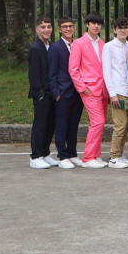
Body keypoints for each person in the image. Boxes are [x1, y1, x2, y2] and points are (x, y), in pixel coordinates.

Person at [68, 11, 109, 169]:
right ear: (87, 24)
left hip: (103, 89)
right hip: (89, 89)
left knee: (101, 122)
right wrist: (82, 88)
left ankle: (95, 155)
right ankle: (88, 157)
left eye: (99, 23)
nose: (96, 26)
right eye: (93, 23)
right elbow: (73, 69)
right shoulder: (78, 43)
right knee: (97, 122)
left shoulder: (103, 44)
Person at [48, 16, 84, 169]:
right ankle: (62, 156)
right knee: (61, 125)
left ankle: (72, 153)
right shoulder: (55, 48)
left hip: (78, 92)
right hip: (63, 93)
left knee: (73, 125)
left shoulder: (78, 45)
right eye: (65, 26)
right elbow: (52, 73)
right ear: (59, 29)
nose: (68, 29)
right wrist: (57, 93)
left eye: (70, 26)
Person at [102, 17, 128, 169]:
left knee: (126, 125)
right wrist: (112, 94)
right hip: (118, 92)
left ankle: (120, 154)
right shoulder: (108, 47)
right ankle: (114, 157)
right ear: (114, 30)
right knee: (119, 125)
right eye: (120, 28)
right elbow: (106, 72)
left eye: (126, 27)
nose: (123, 30)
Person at [27, 15, 57, 169]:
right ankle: (35, 156)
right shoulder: (35, 48)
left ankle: (45, 153)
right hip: (42, 95)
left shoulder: (50, 46)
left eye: (49, 26)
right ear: (37, 29)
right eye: (43, 27)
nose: (47, 30)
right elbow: (34, 75)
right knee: (40, 125)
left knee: (50, 125)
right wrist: (39, 95)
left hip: (52, 93)